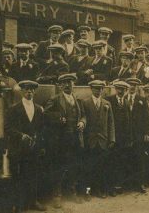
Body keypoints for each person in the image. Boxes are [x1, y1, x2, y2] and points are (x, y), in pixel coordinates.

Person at [44, 74, 87, 208]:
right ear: (60, 85)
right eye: (65, 83)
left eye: (70, 82)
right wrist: (58, 118)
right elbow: (45, 114)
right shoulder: (55, 99)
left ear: (74, 84)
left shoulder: (78, 100)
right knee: (59, 167)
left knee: (74, 166)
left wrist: (82, 122)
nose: (68, 85)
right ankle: (57, 195)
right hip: (60, 140)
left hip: (75, 139)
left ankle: (72, 192)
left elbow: (84, 116)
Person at [5, 80, 46, 212]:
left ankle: (33, 201)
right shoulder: (13, 109)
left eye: (32, 90)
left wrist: (40, 144)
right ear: (22, 91)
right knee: (19, 176)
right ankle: (19, 204)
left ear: (34, 91)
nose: (29, 92)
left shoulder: (39, 109)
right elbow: (7, 128)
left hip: (33, 148)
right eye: (26, 89)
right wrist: (21, 135)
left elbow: (41, 129)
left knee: (33, 175)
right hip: (19, 148)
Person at [82, 80, 115, 198]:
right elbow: (83, 119)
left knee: (101, 167)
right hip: (90, 141)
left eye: (100, 88)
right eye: (95, 88)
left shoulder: (107, 103)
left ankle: (100, 190)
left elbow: (111, 122)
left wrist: (112, 139)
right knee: (89, 167)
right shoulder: (85, 103)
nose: (98, 91)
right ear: (91, 89)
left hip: (103, 140)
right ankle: (87, 191)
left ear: (102, 90)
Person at [125, 78, 149, 193]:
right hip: (126, 135)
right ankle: (128, 183)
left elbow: (147, 118)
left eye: (134, 85)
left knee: (140, 159)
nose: (132, 87)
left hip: (139, 134)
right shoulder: (123, 98)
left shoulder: (141, 100)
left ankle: (140, 183)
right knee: (127, 158)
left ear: (137, 87)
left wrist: (147, 133)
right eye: (130, 85)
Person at [106, 81, 132, 192]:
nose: (120, 91)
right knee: (112, 161)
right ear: (115, 89)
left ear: (126, 91)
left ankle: (119, 185)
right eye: (118, 89)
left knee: (122, 161)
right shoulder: (109, 100)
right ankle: (111, 187)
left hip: (123, 139)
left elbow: (129, 121)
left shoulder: (126, 102)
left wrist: (129, 138)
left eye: (123, 89)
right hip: (113, 137)